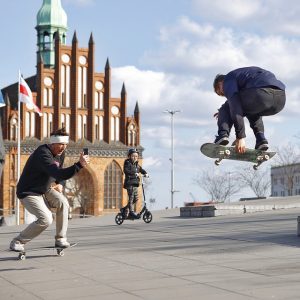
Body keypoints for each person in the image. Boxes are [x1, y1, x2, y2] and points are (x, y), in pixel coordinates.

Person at [9, 128, 89, 252]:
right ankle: (18, 241)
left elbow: (59, 175)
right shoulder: (43, 154)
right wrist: (78, 165)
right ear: (52, 143)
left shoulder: (60, 154)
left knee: (63, 203)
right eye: (60, 145)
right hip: (28, 192)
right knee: (46, 219)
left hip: (45, 188)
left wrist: (59, 183)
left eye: (66, 145)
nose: (63, 148)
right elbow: (56, 171)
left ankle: (60, 239)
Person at [213, 66, 286, 153]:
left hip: (260, 93)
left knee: (228, 106)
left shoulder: (228, 79)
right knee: (251, 110)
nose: (224, 95)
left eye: (221, 92)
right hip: (280, 100)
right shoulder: (243, 76)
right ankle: (261, 140)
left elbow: (234, 106)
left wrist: (240, 137)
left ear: (220, 83)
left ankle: (222, 136)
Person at [123, 148, 148, 218]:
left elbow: (141, 170)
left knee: (136, 198)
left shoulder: (137, 165)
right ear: (130, 156)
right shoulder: (127, 163)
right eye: (133, 156)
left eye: (136, 156)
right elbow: (126, 171)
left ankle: (125, 208)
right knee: (131, 197)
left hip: (135, 184)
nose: (135, 158)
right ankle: (131, 212)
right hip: (129, 183)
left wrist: (146, 173)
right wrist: (134, 173)